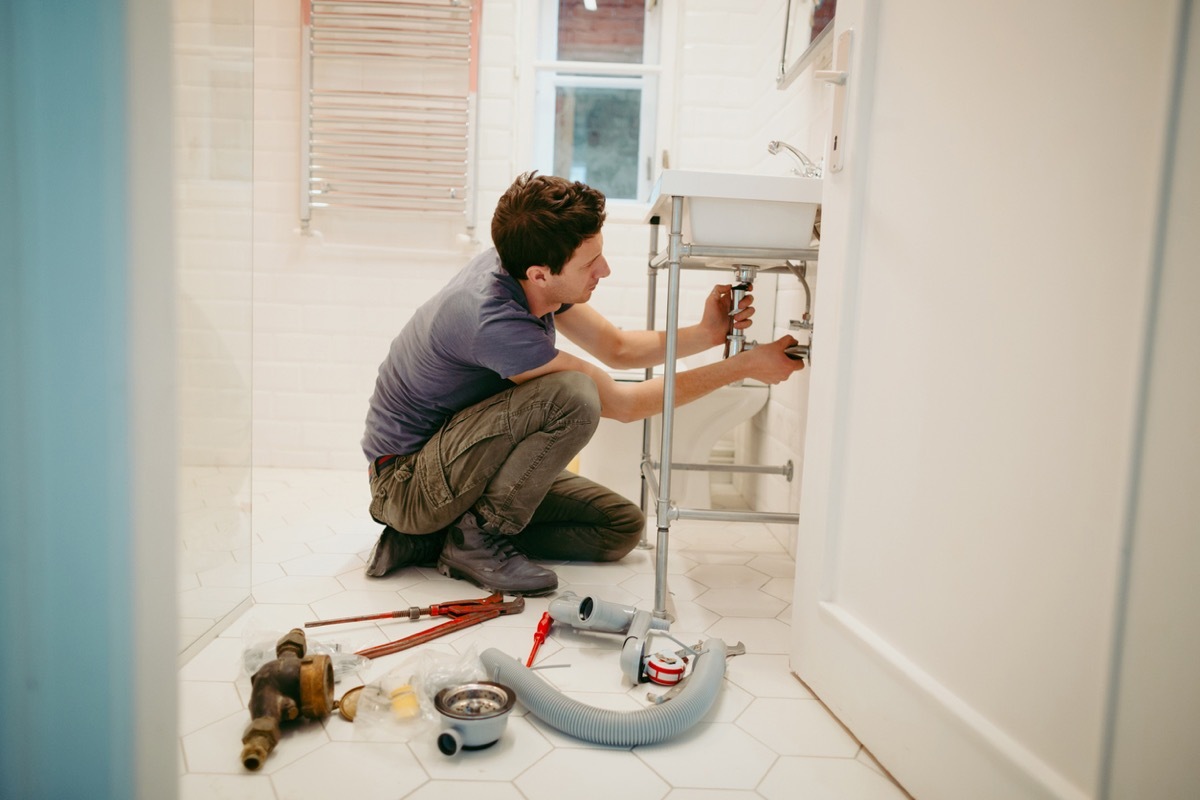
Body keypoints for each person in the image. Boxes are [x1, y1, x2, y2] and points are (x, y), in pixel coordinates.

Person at [361, 171, 806, 596]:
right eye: (591, 263)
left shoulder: (526, 267)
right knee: (573, 395)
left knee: (617, 527)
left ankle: (434, 540)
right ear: (540, 273)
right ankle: (473, 542)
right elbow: (623, 404)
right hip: (406, 483)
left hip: (457, 465)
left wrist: (706, 335)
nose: (606, 270)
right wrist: (742, 367)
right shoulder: (492, 320)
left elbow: (616, 348)